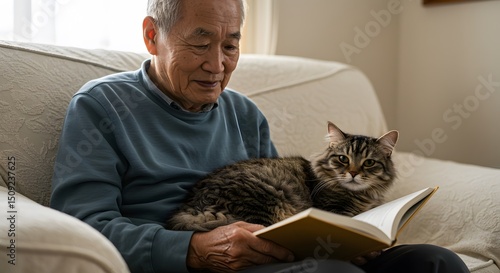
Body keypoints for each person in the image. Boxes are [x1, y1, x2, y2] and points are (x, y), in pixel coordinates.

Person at [50, 0, 470, 272]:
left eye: (230, 46)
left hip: (275, 252)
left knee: (436, 263)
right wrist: (192, 249)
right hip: (191, 261)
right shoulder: (101, 106)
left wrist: (344, 238)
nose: (217, 65)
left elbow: (289, 210)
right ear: (151, 37)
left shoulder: (245, 112)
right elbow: (82, 225)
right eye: (200, 44)